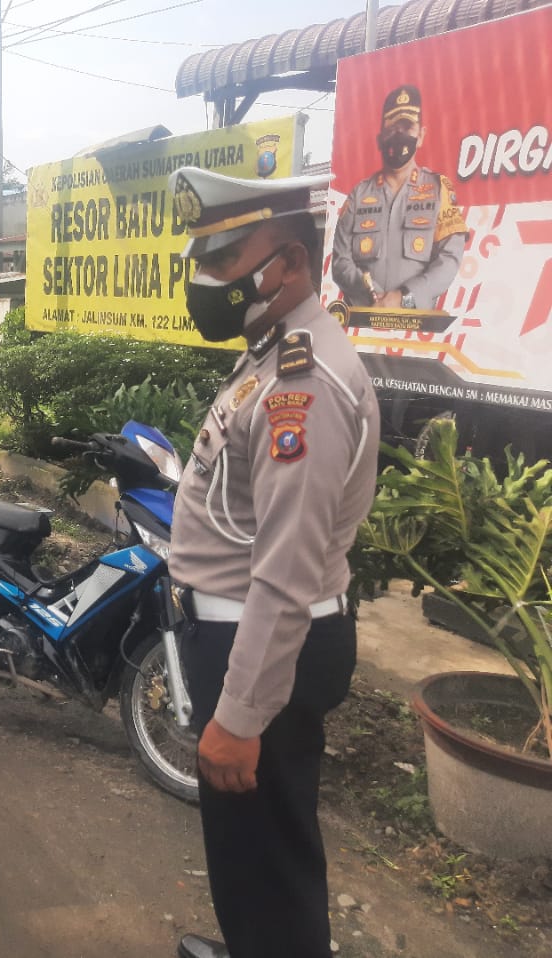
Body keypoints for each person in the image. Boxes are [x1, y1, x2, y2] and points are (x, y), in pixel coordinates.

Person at [165, 167, 380, 958]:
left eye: (223, 260)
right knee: (248, 851)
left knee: (271, 858)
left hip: (267, 654)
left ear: (287, 263)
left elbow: (287, 571)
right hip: (245, 642)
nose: (206, 278)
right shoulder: (274, 353)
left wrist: (242, 716)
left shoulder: (305, 386)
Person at [331, 84, 468, 310]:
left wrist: (404, 297)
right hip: (363, 322)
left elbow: (449, 259)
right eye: (392, 128)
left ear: (421, 135)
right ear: (379, 139)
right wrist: (371, 295)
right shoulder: (358, 194)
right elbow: (340, 261)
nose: (399, 135)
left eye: (407, 127)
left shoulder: (438, 189)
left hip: (416, 330)